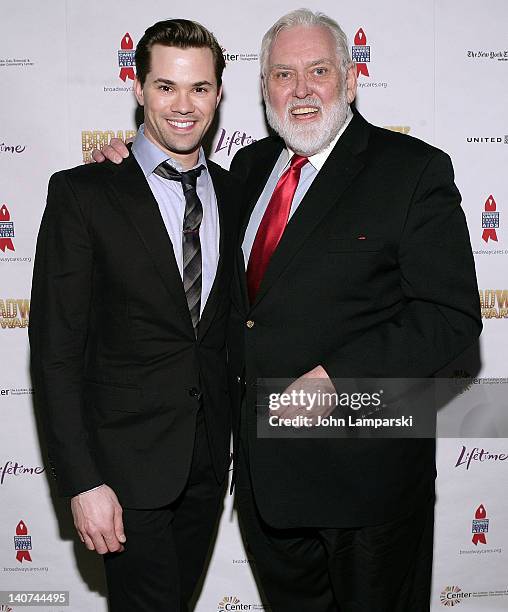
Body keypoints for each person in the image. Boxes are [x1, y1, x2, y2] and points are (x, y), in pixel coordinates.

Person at [96, 9, 481, 611]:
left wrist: (338, 381)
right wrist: (126, 166)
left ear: (350, 81)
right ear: (262, 88)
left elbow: (450, 318)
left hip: (367, 491)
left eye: (318, 70)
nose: (300, 90)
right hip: (267, 487)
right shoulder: (245, 172)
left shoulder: (411, 171)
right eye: (282, 74)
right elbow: (173, 199)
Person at [29, 18, 240, 612]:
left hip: (205, 461)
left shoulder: (236, 190)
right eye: (166, 86)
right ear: (138, 88)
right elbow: (55, 352)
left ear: (219, 95)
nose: (183, 105)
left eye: (199, 88)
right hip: (120, 472)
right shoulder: (85, 193)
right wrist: (81, 481)